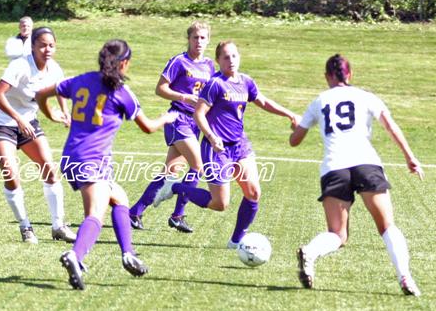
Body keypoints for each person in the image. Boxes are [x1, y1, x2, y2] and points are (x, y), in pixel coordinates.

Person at [36, 39, 177, 290]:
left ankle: (128, 254)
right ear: (124, 63)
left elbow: (41, 94)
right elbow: (147, 127)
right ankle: (75, 256)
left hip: (71, 157)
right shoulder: (121, 92)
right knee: (95, 215)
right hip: (92, 161)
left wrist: (51, 114)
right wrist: (166, 118)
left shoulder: (81, 80)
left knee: (120, 198)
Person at [289, 54, 423, 296]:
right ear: (350, 74)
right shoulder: (365, 96)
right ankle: (405, 276)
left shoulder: (319, 101)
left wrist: (296, 126)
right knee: (387, 226)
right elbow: (390, 126)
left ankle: (311, 251)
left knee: (337, 234)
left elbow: (294, 141)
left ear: (327, 76)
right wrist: (410, 157)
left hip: (334, 168)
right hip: (366, 164)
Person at [154, 41, 299, 248]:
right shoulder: (215, 84)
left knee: (253, 193)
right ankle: (174, 186)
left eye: (234, 56)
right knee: (219, 204)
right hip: (216, 149)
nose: (231, 60)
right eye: (225, 57)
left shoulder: (246, 82)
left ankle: (235, 241)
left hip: (239, 145)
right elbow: (199, 114)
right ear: (218, 60)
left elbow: (263, 101)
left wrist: (290, 114)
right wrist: (212, 137)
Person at [0, 26, 76, 244]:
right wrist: (18, 119)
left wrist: (64, 112)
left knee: (50, 171)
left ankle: (58, 227)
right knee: (11, 175)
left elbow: (59, 89)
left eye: (51, 45)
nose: (47, 49)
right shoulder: (20, 65)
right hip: (1, 123)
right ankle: (25, 227)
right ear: (33, 46)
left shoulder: (54, 68)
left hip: (28, 122)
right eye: (42, 45)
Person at [129, 21, 215, 233]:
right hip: (178, 119)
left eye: (203, 38)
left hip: (195, 123)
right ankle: (177, 215)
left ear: (208, 40)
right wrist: (183, 97)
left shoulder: (209, 65)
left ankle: (135, 212)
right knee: (198, 167)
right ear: (188, 39)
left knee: (170, 172)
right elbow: (160, 88)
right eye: (195, 37)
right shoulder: (179, 61)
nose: (199, 41)